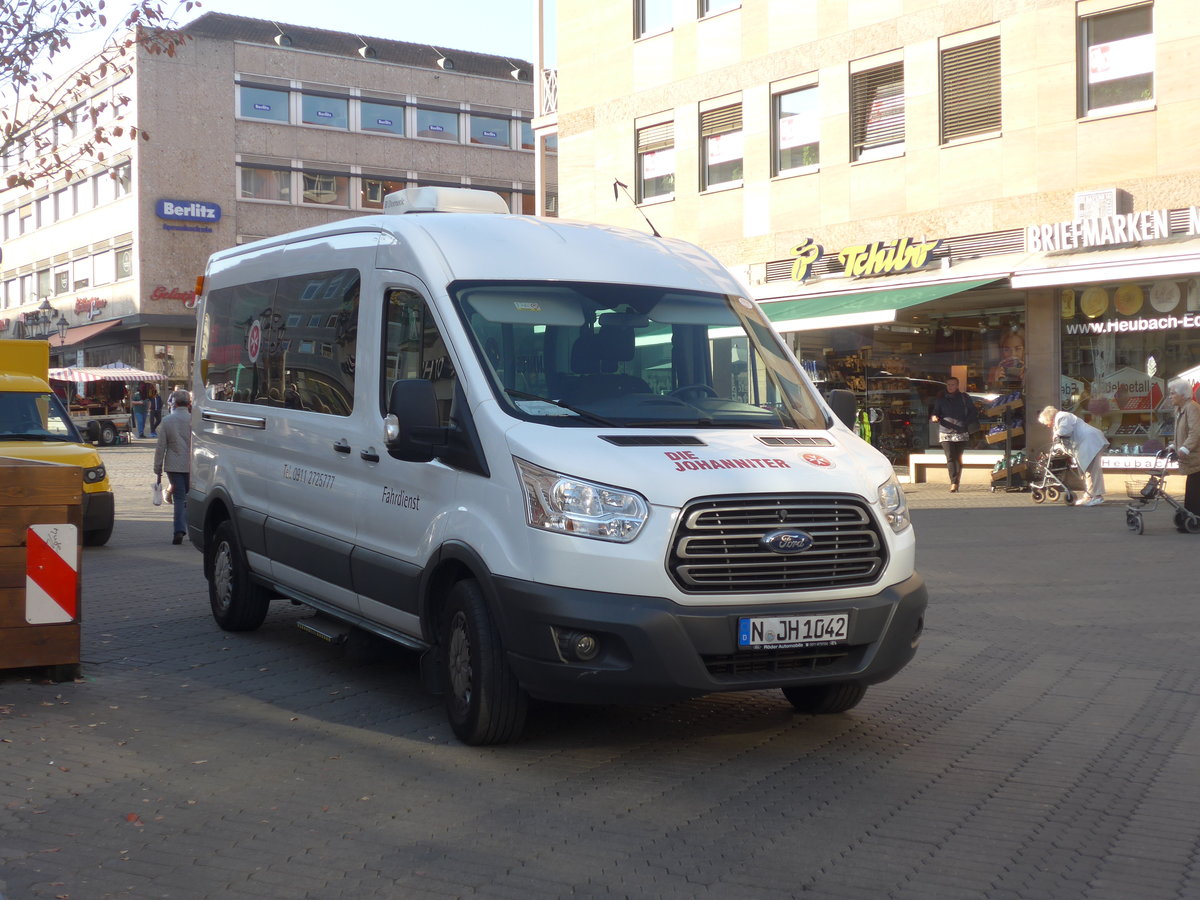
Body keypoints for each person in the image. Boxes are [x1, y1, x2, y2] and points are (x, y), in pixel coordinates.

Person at [1038, 405, 1108, 506]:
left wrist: (1056, 435)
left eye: (1046, 423)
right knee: (1086, 472)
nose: (1047, 426)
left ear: (1049, 417)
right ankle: (1089, 495)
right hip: (1085, 445)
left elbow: (1065, 431)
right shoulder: (1058, 422)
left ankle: (1097, 496)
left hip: (1090, 443)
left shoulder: (1062, 416)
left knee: (1092, 471)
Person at [154, 390, 192, 544]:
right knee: (189, 499)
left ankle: (179, 530)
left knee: (179, 498)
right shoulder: (194, 420)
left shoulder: (167, 420)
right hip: (193, 465)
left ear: (174, 404)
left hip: (174, 465)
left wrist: (157, 468)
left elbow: (160, 446)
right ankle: (192, 530)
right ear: (189, 404)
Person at [930, 377, 978, 492]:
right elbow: (935, 412)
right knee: (950, 457)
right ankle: (953, 483)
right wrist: (934, 417)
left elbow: (973, 412)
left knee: (958, 458)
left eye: (953, 385)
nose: (950, 387)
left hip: (961, 430)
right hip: (945, 431)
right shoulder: (941, 399)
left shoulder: (964, 398)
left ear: (957, 386)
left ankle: (956, 481)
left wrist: (965, 423)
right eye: (948, 385)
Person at [1168, 378, 1200, 526]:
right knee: (1192, 490)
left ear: (1183, 394)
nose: (1170, 396)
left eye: (1173, 393)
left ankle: (1193, 519)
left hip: (1196, 459)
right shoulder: (1180, 410)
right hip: (1191, 460)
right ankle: (1190, 517)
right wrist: (1174, 446)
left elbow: (1196, 432)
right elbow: (1181, 433)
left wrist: (1185, 448)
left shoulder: (1192, 408)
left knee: (1194, 490)